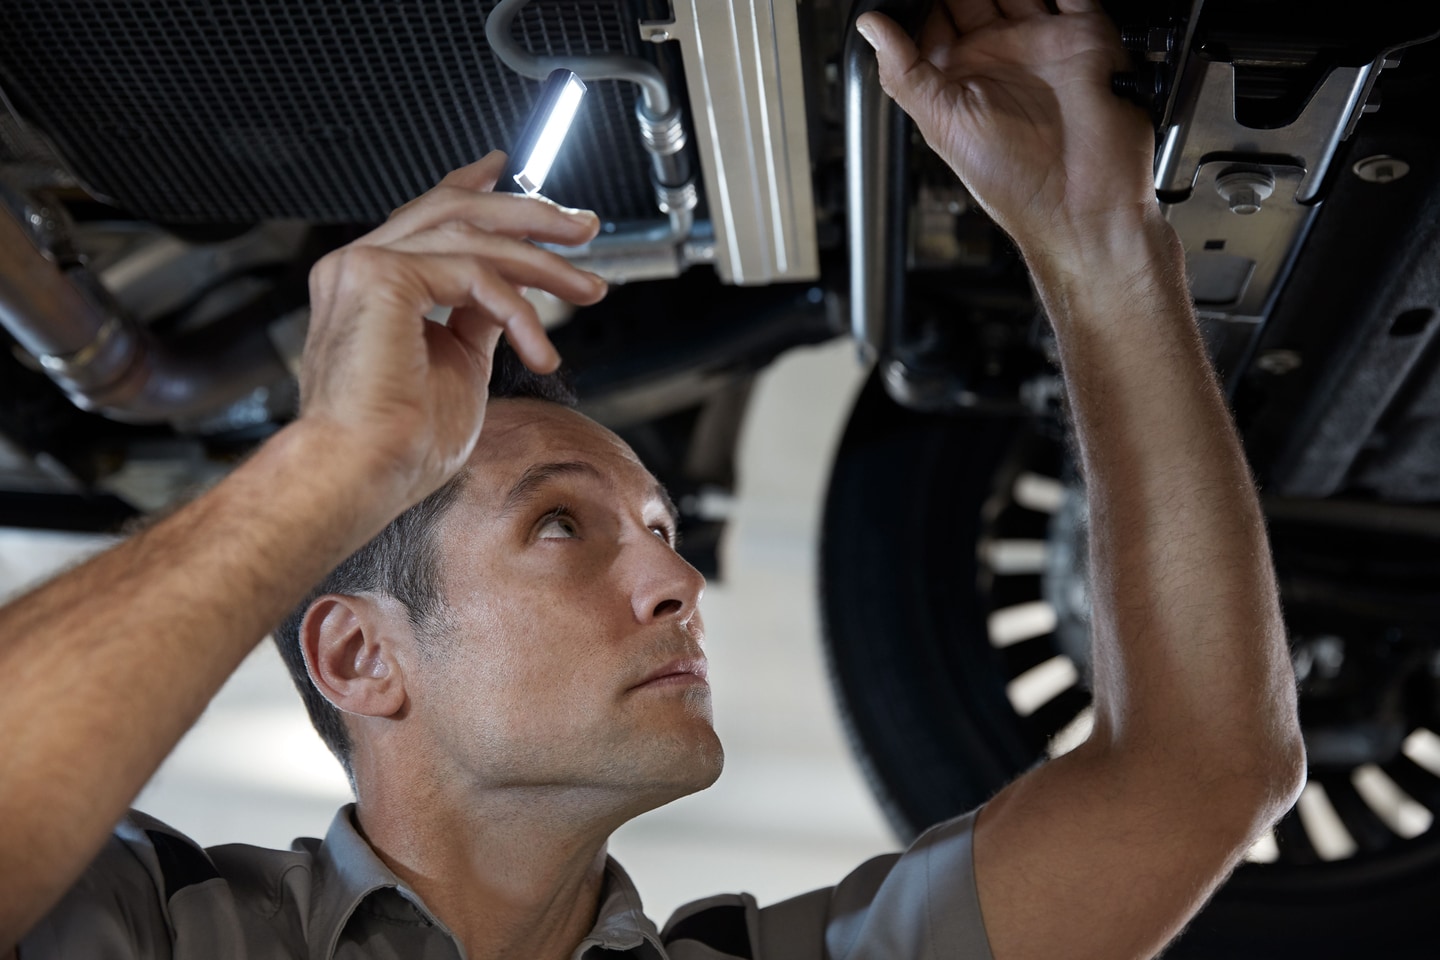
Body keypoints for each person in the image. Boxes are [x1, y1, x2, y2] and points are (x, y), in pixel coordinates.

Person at [0, 1, 1306, 958]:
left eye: (660, 527)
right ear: (358, 659)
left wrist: (1096, 235)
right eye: (562, 524)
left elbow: (1193, 773)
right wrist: (333, 462)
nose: (678, 577)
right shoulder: (150, 932)